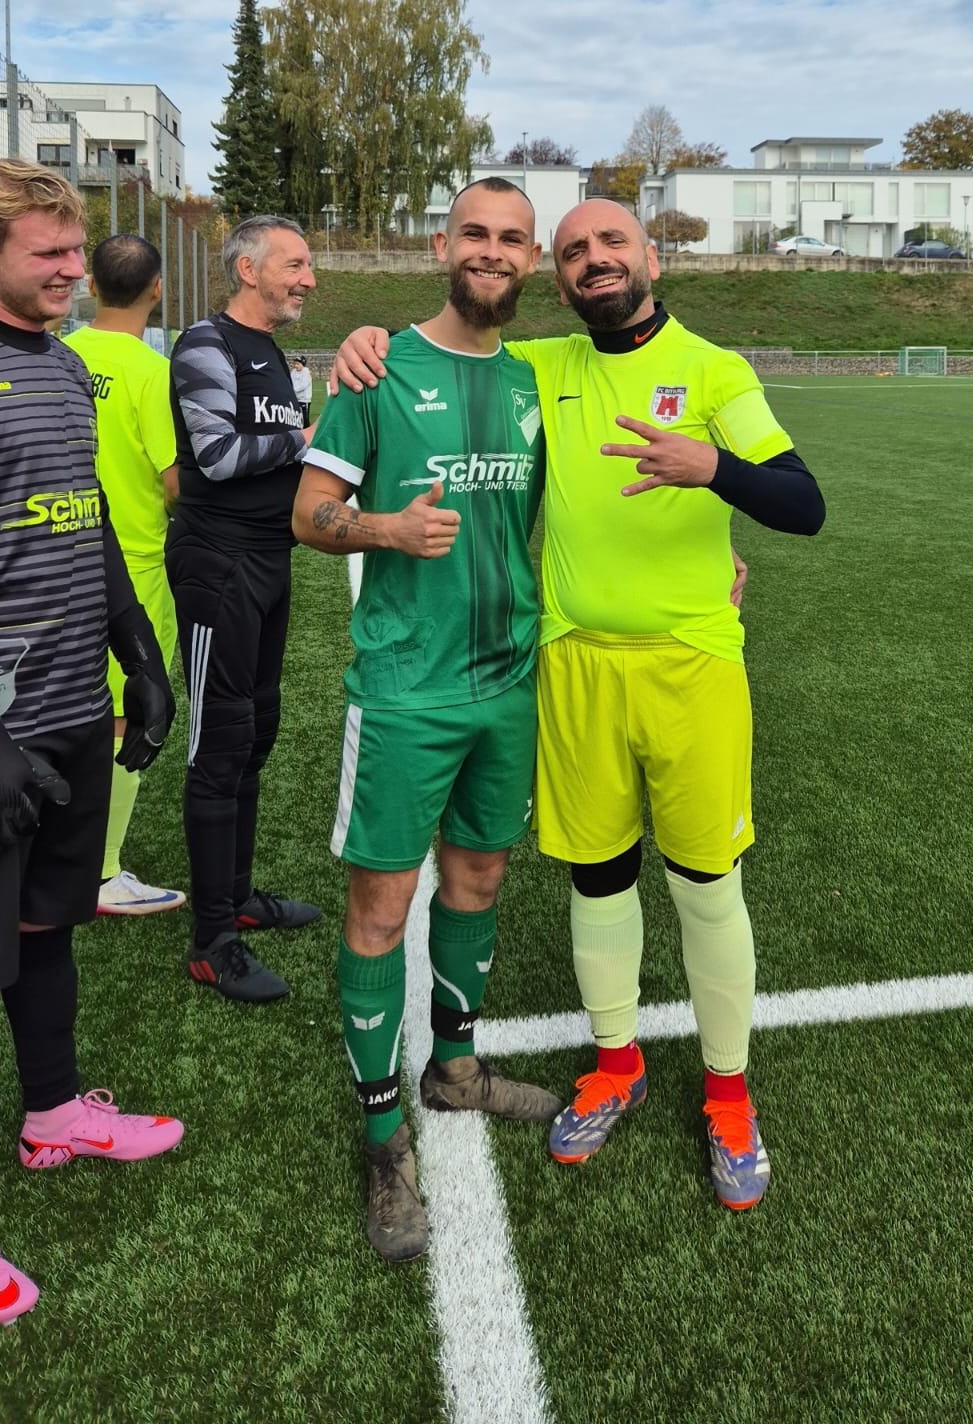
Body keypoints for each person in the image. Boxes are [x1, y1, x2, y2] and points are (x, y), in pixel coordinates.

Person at [334, 198, 825, 1212]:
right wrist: (364, 336)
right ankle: (614, 1064)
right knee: (597, 878)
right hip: (570, 667)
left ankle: (728, 1094)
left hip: (691, 667)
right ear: (555, 281)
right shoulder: (540, 368)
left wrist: (713, 468)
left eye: (611, 243)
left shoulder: (716, 370)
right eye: (572, 251)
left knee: (705, 884)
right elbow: (452, 345)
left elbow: (803, 501)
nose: (593, 259)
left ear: (653, 259)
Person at [293, 177, 561, 1263]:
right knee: (380, 905)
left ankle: (453, 1069)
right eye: (475, 234)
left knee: (479, 878)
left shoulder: (541, 379)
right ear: (441, 245)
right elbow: (307, 514)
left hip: (507, 683)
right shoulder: (376, 367)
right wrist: (385, 529)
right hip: (405, 688)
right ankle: (381, 1138)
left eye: (512, 238)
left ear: (531, 259)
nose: (491, 251)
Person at [0, 160, 184, 1322]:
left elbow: (91, 520)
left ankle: (55, 1110)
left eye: (78, 249)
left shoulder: (67, 366)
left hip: (68, 710)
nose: (75, 268)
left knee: (44, 926)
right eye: (49, 252)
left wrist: (139, 654)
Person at [168, 215, 320, 1003]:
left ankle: (235, 898)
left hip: (269, 561)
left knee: (255, 735)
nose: (309, 279)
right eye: (295, 264)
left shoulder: (273, 354)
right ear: (249, 269)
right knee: (220, 744)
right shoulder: (206, 343)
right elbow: (220, 456)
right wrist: (307, 437)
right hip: (218, 567)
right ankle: (211, 941)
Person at [66, 234, 185, 915]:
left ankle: (50, 853)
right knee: (124, 718)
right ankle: (102, 872)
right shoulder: (152, 371)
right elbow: (174, 484)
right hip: (131, 569)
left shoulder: (60, 352)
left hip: (55, 557)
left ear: (90, 285)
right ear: (156, 290)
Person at [289, 356, 313, 428]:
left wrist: (293, 390)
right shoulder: (293, 372)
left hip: (304, 400)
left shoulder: (306, 373)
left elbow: (303, 385)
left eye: (298, 364)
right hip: (295, 399)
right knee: (296, 417)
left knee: (305, 418)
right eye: (295, 364)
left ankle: (307, 431)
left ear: (303, 364)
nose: (296, 366)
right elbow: (290, 382)